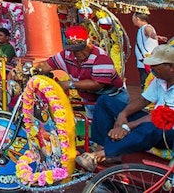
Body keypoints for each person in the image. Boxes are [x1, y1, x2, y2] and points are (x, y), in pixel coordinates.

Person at [75, 43, 174, 172]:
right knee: (105, 101)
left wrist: (126, 127)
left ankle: (100, 155)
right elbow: (143, 100)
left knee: (149, 127)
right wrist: (123, 114)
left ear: (171, 67)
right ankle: (102, 147)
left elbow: (161, 117)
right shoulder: (160, 79)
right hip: (156, 120)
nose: (152, 68)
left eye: (156, 66)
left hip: (168, 131)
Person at [33, 25, 127, 117]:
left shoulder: (100, 57)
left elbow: (97, 84)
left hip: (112, 99)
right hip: (89, 100)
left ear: (89, 43)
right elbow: (47, 65)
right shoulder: (67, 54)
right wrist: (31, 68)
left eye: (81, 48)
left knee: (110, 126)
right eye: (74, 50)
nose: (78, 53)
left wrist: (69, 84)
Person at [134, 12, 166, 86]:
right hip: (143, 63)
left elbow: (150, 32)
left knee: (148, 84)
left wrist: (155, 36)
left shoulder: (147, 27)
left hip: (148, 63)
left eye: (133, 18)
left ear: (137, 18)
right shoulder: (141, 29)